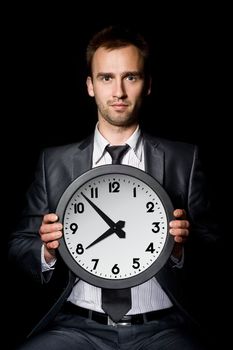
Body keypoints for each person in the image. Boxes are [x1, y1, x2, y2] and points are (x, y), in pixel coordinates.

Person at [9, 24, 219, 349]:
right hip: (77, 327)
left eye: (130, 77)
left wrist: (181, 249)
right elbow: (19, 243)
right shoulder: (54, 163)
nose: (118, 92)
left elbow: (214, 246)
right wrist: (47, 251)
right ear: (90, 86)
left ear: (147, 84)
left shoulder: (183, 159)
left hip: (163, 330)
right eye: (107, 78)